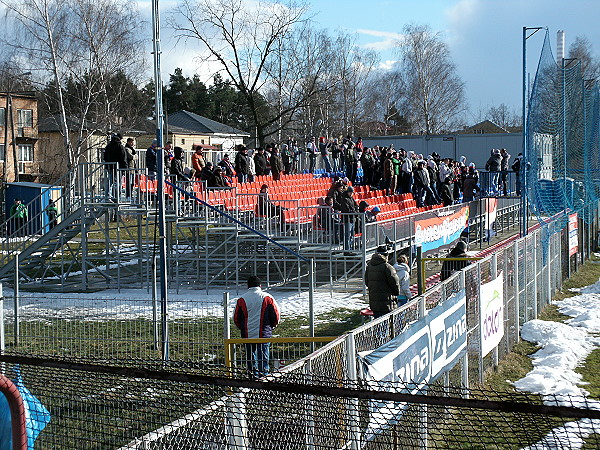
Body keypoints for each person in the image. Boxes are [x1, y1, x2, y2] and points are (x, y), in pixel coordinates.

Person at [233, 276, 280, 379]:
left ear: (248, 286)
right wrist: (272, 326)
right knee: (263, 358)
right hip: (264, 334)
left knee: (250, 358)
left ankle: (252, 378)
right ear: (260, 285)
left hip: (247, 334)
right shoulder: (268, 297)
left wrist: (242, 328)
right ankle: (264, 378)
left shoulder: (241, 299)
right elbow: (276, 315)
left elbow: (236, 318)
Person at [365, 245, 400, 318]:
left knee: (377, 323)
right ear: (386, 255)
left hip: (374, 302)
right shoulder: (388, 267)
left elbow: (367, 282)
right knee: (388, 324)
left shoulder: (369, 266)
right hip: (387, 302)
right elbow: (395, 284)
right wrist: (396, 293)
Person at [103, 133, 127, 199]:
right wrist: (125, 167)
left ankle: (108, 195)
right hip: (118, 167)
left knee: (110, 181)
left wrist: (106, 164)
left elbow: (105, 157)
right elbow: (123, 157)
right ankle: (117, 196)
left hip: (110, 166)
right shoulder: (120, 146)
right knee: (118, 182)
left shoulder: (108, 146)